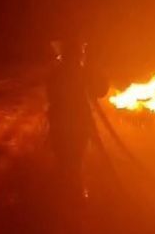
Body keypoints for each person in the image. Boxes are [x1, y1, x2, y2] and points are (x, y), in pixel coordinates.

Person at [46, 39, 108, 193]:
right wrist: (94, 69)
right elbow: (101, 90)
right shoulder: (81, 71)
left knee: (65, 158)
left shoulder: (57, 72)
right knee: (75, 158)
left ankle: (66, 189)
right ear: (78, 54)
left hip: (61, 121)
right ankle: (74, 189)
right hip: (77, 121)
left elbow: (51, 94)